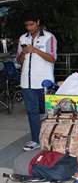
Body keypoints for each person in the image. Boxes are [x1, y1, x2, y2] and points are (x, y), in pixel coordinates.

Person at [16, 13, 57, 151]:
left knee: (49, 112)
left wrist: (34, 50)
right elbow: (19, 61)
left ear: (38, 22)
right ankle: (36, 140)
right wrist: (23, 53)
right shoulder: (22, 38)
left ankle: (52, 138)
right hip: (27, 83)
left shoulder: (49, 37)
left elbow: (52, 58)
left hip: (44, 82)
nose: (29, 28)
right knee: (32, 112)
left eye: (31, 24)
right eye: (26, 25)